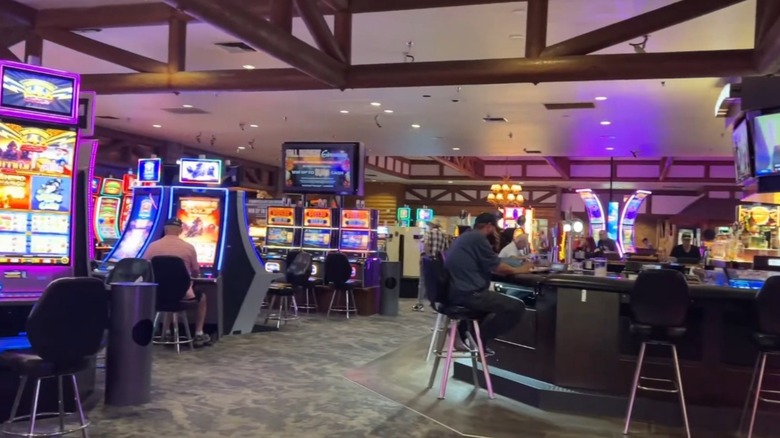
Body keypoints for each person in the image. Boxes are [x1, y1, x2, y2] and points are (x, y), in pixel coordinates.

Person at [445, 213, 531, 355]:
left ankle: (464, 332)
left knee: (492, 305)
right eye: (495, 229)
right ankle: (480, 338)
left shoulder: (466, 237)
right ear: (489, 226)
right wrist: (520, 270)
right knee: (516, 307)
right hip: (468, 294)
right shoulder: (478, 238)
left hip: (455, 291)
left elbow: (488, 263)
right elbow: (496, 266)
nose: (496, 233)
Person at [143, 218, 212, 347]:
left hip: (157, 294)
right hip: (181, 293)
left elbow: (144, 267)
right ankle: (198, 333)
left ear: (165, 230)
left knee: (168, 292)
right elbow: (196, 271)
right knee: (201, 297)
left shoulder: (152, 246)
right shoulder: (188, 247)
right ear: (180, 231)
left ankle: (167, 331)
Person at [414, 221, 449, 311]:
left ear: (432, 226)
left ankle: (419, 304)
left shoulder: (428, 233)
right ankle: (436, 304)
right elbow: (446, 249)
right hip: (439, 261)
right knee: (437, 282)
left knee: (422, 281)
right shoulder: (443, 235)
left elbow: (425, 245)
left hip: (428, 260)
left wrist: (427, 256)